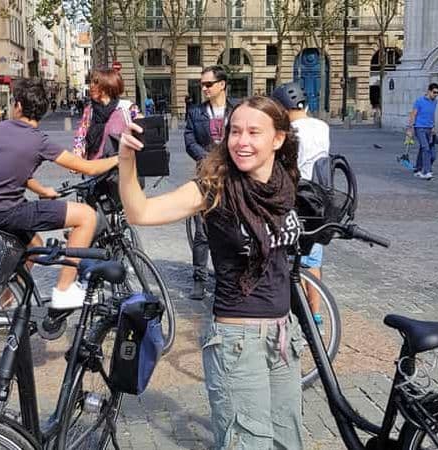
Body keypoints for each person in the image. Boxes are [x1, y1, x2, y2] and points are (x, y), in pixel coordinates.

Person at [119, 95, 304, 449]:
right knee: (248, 444)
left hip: (283, 336)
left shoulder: (284, 182)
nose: (242, 141)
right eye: (235, 131)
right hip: (238, 341)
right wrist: (127, 160)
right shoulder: (214, 187)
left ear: (278, 139)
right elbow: (140, 212)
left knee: (287, 440)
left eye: (253, 132)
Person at [0, 78, 118, 309]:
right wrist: (120, 157)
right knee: (86, 216)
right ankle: (64, 291)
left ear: (19, 106)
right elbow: (89, 168)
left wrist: (43, 190)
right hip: (9, 211)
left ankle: (2, 302)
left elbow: (11, 171)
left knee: (34, 245)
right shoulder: (39, 141)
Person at [271, 81, 330, 333]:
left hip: (296, 198)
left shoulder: (290, 131)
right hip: (321, 198)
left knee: (288, 259)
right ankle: (315, 315)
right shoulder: (323, 126)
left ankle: (290, 314)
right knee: (313, 260)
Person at [184, 65, 239, 300]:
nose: (204, 88)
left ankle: (229, 275)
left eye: (208, 84)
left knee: (233, 227)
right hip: (206, 175)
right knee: (202, 230)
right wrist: (208, 160)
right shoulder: (196, 112)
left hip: (233, 176)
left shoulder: (238, 109)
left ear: (222, 85)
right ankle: (199, 278)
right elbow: (189, 140)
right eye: (202, 84)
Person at [72, 66, 134, 160]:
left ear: (109, 84)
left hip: (120, 166)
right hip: (95, 167)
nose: (91, 86)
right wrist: (77, 156)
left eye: (96, 82)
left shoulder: (127, 108)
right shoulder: (90, 110)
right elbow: (81, 135)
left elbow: (140, 133)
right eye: (91, 82)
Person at [406, 83, 438, 180]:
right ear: (429, 91)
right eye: (434, 92)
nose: (436, 94)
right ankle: (427, 171)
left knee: (431, 154)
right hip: (419, 128)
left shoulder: (435, 102)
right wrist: (410, 129)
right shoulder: (419, 101)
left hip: (430, 129)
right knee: (426, 148)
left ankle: (418, 169)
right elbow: (413, 114)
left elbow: (432, 114)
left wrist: (433, 127)